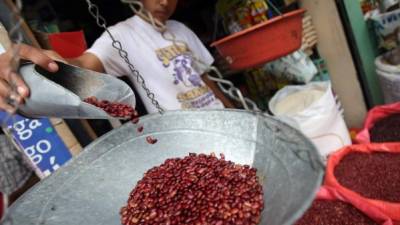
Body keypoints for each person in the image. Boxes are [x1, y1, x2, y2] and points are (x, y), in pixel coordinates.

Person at [0, 0, 235, 210]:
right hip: (185, 140)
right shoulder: (121, 35)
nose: (164, 2)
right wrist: (55, 68)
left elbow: (206, 79)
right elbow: (84, 64)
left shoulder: (180, 29)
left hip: (224, 126)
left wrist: (235, 113)